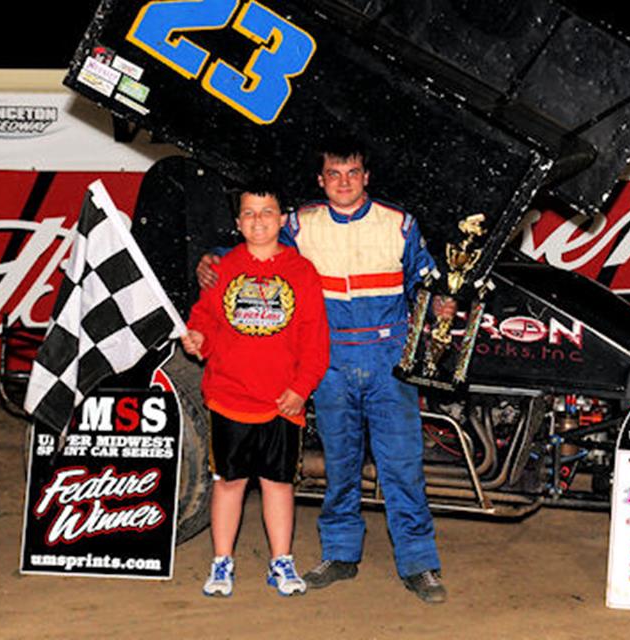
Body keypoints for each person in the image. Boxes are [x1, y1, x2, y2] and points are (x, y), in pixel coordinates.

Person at [197, 138, 448, 603]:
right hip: (330, 361)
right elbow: (257, 244)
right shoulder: (301, 224)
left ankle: (419, 563)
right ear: (321, 179)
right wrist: (212, 257)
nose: (344, 183)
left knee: (402, 466)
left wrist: (446, 304)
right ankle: (339, 553)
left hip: (389, 360)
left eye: (352, 173)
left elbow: (427, 280)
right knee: (339, 464)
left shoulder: (400, 223)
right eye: (334, 174)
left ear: (366, 176)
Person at [182, 181, 329, 598]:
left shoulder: (302, 272)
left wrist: (301, 389)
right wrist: (197, 340)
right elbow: (205, 322)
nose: (258, 220)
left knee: (278, 483)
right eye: (249, 213)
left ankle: (281, 561)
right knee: (228, 482)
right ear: (237, 222)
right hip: (229, 397)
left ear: (282, 220)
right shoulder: (222, 269)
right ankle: (221, 561)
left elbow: (316, 341)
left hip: (283, 402)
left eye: (267, 212)